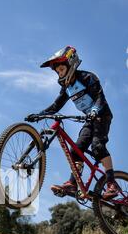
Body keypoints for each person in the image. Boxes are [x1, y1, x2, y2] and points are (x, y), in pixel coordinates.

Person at [26, 46, 119, 200]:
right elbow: (56, 106)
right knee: (76, 150)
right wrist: (40, 114)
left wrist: (95, 111)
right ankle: (72, 183)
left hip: (102, 116)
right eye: (58, 71)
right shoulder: (67, 88)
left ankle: (112, 183)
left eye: (62, 69)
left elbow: (100, 98)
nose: (60, 73)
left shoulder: (88, 78)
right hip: (89, 120)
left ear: (71, 65)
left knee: (97, 146)